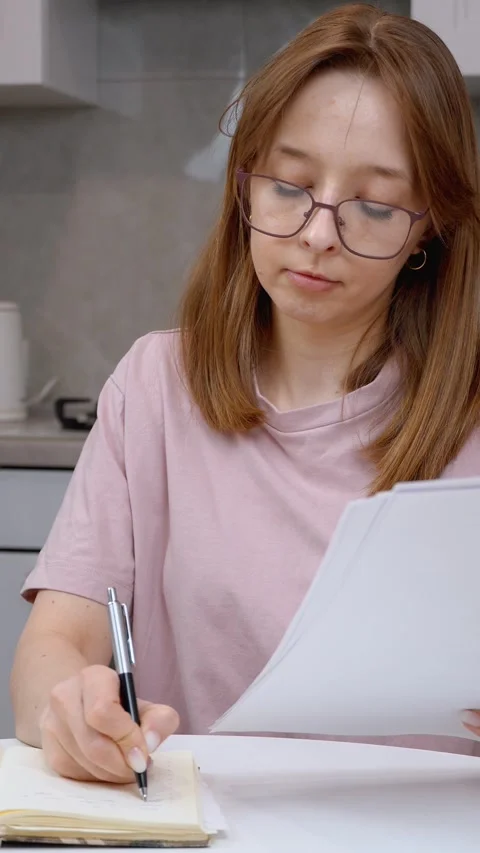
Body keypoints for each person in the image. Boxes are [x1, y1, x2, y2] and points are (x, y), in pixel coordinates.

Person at [10, 2, 480, 785]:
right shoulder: (154, 387)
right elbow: (53, 650)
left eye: (373, 205)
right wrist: (70, 707)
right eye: (290, 186)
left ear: (426, 229)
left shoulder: (470, 416)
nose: (318, 233)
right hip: (207, 823)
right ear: (245, 186)